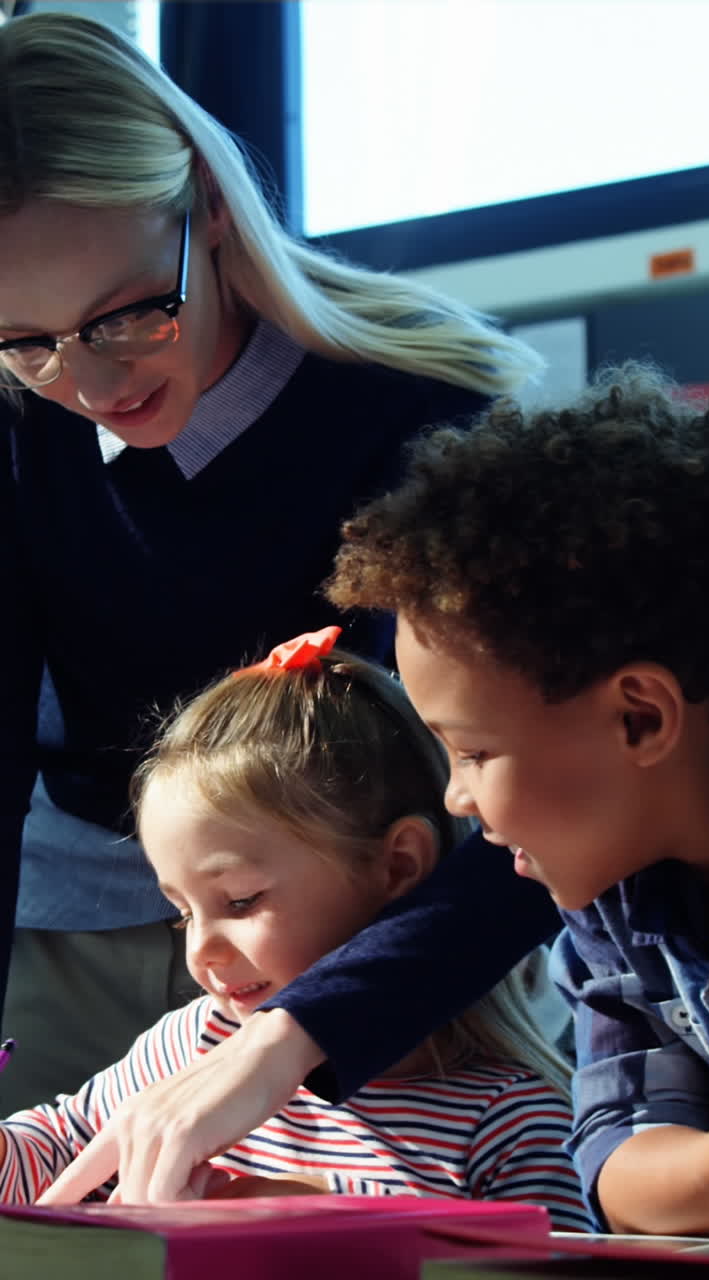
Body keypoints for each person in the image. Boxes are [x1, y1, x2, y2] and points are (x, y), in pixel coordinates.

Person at [0, 3, 557, 1125]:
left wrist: (315, 1027)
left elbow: (542, 804)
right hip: (72, 931)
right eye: (27, 342)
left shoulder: (431, 415)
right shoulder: (20, 418)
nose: (94, 386)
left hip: (395, 934)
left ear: (208, 206)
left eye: (128, 316)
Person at [0, 629, 588, 1230]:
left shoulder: (508, 1123)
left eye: (242, 900)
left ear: (399, 865)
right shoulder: (192, 1047)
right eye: (182, 912)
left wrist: (298, 1209)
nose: (200, 951)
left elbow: (551, 1258)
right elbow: (56, 1146)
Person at [322, 360, 709, 1237]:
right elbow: (615, 1164)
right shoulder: (612, 904)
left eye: (472, 751)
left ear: (641, 717)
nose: (459, 800)